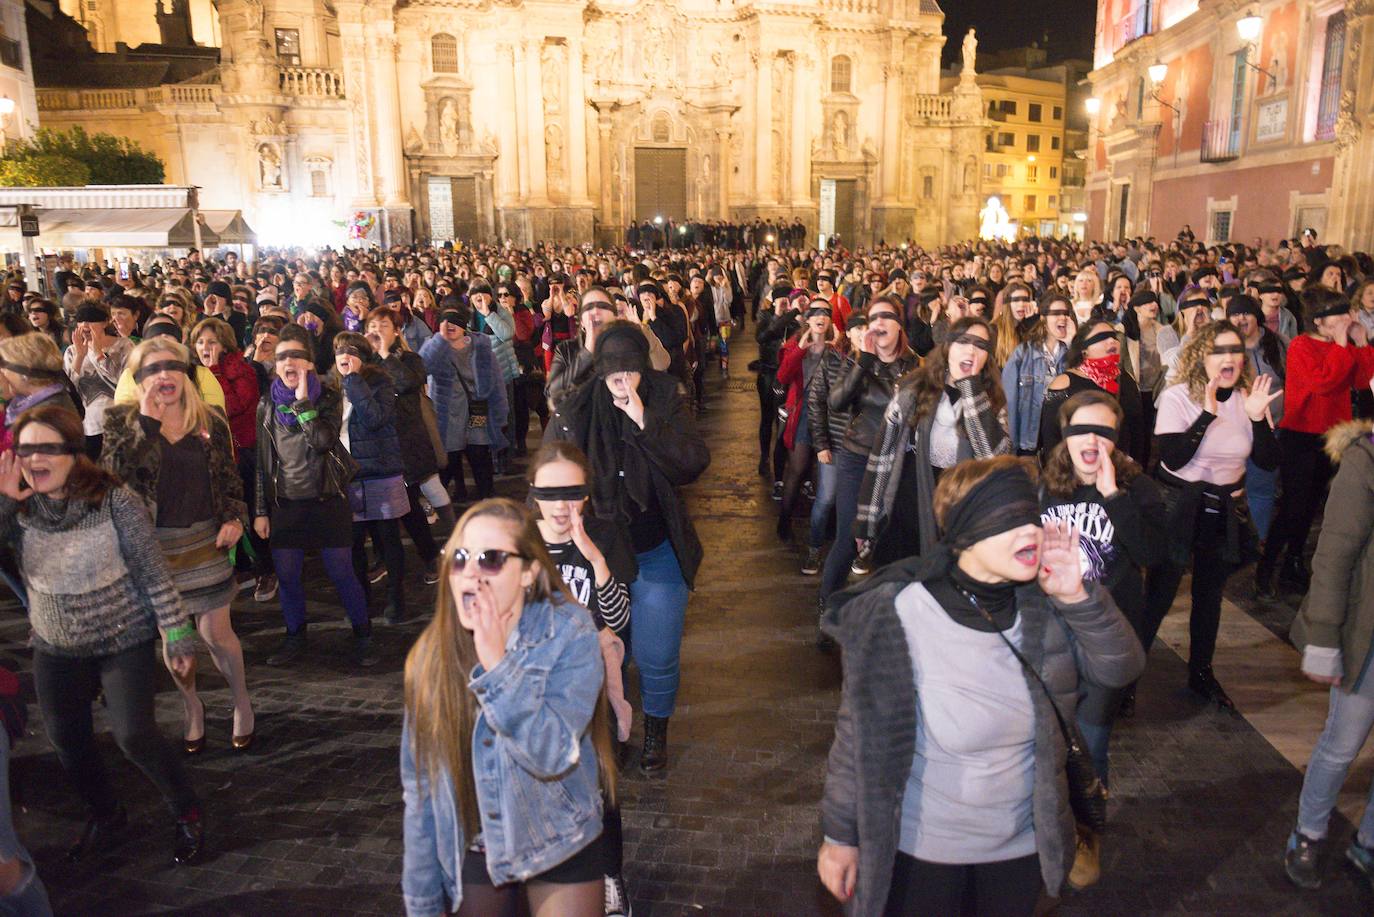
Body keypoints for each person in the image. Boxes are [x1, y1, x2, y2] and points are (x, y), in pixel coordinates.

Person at [817, 456, 1146, 916]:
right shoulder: (900, 613)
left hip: (1020, 851)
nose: (1031, 531)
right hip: (921, 854)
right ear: (968, 533)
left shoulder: (1045, 606)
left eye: (1032, 517)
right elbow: (857, 736)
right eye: (1010, 520)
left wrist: (1078, 596)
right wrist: (840, 836)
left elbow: (1120, 670)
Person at [0, 406, 205, 865]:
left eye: (48, 449)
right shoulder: (18, 508)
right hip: (55, 646)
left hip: (121, 637)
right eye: (25, 449)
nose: (35, 459)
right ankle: (107, 814)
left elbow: (153, 572)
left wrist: (176, 635)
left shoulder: (114, 500)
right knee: (66, 739)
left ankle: (186, 808)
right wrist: (5, 503)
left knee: (134, 735)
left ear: (74, 453)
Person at [401, 498, 613, 917]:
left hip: (559, 830)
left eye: (492, 559)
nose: (471, 573)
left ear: (529, 573)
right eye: (459, 557)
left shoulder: (569, 631)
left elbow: (553, 754)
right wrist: (422, 903)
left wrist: (498, 665)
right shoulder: (431, 655)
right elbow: (421, 789)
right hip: (478, 838)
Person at [550, 321, 709, 773]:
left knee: (657, 654)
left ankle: (656, 729)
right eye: (612, 372)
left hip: (656, 547)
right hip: (599, 556)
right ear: (598, 371)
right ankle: (612, 730)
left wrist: (643, 419)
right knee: (603, 652)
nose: (621, 381)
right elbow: (546, 481)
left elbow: (692, 463)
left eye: (631, 371)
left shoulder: (665, 396)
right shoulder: (575, 409)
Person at [101, 338, 255, 754]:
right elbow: (114, 484)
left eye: (172, 366)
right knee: (176, 637)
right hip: (154, 550)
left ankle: (241, 700)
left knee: (217, 633)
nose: (164, 375)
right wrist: (146, 427)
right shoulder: (121, 422)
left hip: (205, 540)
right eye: (152, 369)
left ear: (187, 373)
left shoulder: (210, 420)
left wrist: (234, 517)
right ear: (138, 379)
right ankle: (193, 708)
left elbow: (230, 479)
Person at [1038, 391, 1165, 887]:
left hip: (1107, 637)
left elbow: (1153, 551)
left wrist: (1114, 496)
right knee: (1045, 735)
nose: (1092, 440)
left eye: (1105, 432)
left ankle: (1088, 833)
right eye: (1080, 430)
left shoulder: (1139, 489)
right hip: (1050, 633)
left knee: (1092, 738)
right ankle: (1046, 823)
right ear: (1063, 436)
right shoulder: (1042, 486)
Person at [1144, 321, 1282, 709]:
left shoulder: (1246, 398)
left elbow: (1268, 463)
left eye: (1236, 350)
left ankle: (1201, 672)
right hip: (1178, 505)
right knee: (1160, 592)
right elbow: (1172, 458)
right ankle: (1129, 676)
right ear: (1201, 357)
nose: (1230, 358)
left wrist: (1257, 419)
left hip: (1221, 508)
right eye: (1219, 350)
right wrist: (1206, 415)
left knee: (1209, 595)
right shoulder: (1177, 398)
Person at [527, 442, 636, 914]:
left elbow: (619, 618)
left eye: (574, 493)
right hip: (533, 686)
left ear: (587, 496)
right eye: (551, 493)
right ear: (534, 495)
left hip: (589, 684)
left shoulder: (605, 535)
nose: (563, 506)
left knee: (599, 786)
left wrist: (595, 560)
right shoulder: (516, 542)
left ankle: (609, 874)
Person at [1285, 401, 1374, 889]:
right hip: (1367, 633)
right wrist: (1323, 639)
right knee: (1343, 744)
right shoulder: (1366, 460)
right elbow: (1335, 554)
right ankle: (1309, 833)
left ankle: (1368, 843)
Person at [254, 325, 376, 668]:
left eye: (296, 355)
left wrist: (303, 404)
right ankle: (295, 635)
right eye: (282, 357)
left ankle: (363, 633)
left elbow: (323, 442)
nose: (288, 362)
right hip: (287, 504)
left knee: (341, 571)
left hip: (327, 499)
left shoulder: (329, 396)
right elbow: (264, 463)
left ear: (309, 362)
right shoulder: (266, 406)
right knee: (289, 575)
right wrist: (261, 510)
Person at [854, 316, 1011, 567]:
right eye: (963, 341)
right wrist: (867, 520)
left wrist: (969, 387)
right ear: (948, 347)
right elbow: (882, 453)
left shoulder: (992, 399)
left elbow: (993, 460)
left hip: (961, 504)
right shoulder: (914, 387)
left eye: (981, 345)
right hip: (911, 496)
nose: (971, 350)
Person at [1256, 287, 1374, 597]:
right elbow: (1323, 382)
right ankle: (1266, 567)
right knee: (1294, 505)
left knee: (1312, 506)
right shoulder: (1301, 345)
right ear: (1319, 321)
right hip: (1301, 435)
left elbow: (1363, 381)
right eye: (1341, 313)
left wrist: (1361, 343)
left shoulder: (1343, 345)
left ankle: (1293, 563)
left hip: (1334, 435)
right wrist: (1341, 345)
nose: (1349, 317)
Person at [818, 296, 919, 624]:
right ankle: (828, 611)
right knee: (849, 537)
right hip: (859, 457)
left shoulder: (916, 364)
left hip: (899, 462)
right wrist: (863, 361)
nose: (880, 323)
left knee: (893, 538)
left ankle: (889, 618)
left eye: (888, 316)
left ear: (899, 324)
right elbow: (835, 402)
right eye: (874, 318)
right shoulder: (859, 362)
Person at [191, 316, 276, 601]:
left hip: (243, 451)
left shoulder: (242, 370)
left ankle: (267, 569)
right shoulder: (192, 372)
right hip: (211, 454)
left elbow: (231, 406)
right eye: (200, 342)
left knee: (251, 510)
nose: (205, 347)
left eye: (211, 342)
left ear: (224, 344)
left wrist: (214, 371)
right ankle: (241, 567)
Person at [366, 308, 454, 583]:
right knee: (379, 509)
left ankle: (432, 555)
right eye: (373, 325)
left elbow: (407, 382)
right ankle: (385, 558)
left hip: (407, 441)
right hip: (375, 445)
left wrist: (383, 354)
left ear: (396, 331)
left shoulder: (410, 359)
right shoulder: (362, 362)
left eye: (384, 325)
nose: (377, 329)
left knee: (411, 501)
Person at [331, 331, 411, 625]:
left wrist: (354, 381)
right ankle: (361, 598)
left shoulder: (380, 382)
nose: (344, 359)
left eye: (350, 353)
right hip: (347, 476)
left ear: (363, 358)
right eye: (339, 353)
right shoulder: (331, 387)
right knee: (353, 542)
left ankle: (396, 598)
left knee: (387, 537)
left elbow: (375, 419)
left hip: (379, 472)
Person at [420, 307, 509, 504]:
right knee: (449, 458)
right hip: (448, 413)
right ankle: (444, 500)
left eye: (455, 320)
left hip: (477, 410)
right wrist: (439, 340)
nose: (450, 325)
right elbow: (422, 367)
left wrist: (501, 412)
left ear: (464, 325)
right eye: (445, 321)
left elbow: (496, 381)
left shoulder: (481, 347)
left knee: (479, 454)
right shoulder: (435, 346)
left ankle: (487, 497)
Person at [775, 300, 840, 543]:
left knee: (825, 470)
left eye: (826, 312)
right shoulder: (796, 343)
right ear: (808, 318)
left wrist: (839, 350)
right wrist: (800, 349)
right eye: (816, 313)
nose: (821, 317)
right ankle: (784, 520)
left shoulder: (837, 346)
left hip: (831, 414)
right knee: (798, 468)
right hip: (802, 412)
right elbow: (782, 376)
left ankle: (826, 524)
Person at [1040, 320, 1147, 464]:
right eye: (1102, 337)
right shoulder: (1064, 384)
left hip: (1121, 471)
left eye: (1113, 336)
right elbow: (1052, 440)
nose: (1112, 341)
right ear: (1084, 350)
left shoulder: (1125, 379)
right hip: (1079, 472)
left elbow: (1138, 429)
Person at [1002, 292, 1075, 455]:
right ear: (1043, 318)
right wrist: (1013, 444)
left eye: (1066, 313)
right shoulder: (1023, 353)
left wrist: (1072, 342)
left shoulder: (1072, 353)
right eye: (1056, 313)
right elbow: (1010, 400)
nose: (1062, 318)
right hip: (1030, 434)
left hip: (1063, 434)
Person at [64, 304, 134, 457]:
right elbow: (68, 389)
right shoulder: (72, 351)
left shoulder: (124, 345)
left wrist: (98, 354)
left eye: (91, 320)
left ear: (105, 322)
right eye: (81, 321)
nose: (85, 326)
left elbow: (124, 381)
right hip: (88, 424)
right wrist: (80, 356)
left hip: (119, 420)